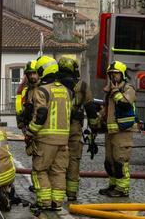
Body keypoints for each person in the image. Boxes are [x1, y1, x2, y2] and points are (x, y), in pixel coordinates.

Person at [27, 57, 71, 215]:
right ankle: (56, 202)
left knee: (40, 170)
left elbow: (41, 113)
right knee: (58, 171)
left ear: (42, 71)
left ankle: (44, 202)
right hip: (63, 140)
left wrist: (31, 130)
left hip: (46, 139)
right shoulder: (66, 91)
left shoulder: (42, 90)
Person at [98, 60, 138, 198]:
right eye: (111, 74)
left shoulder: (128, 88)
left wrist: (115, 93)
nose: (113, 77)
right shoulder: (110, 90)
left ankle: (122, 189)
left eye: (116, 74)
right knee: (110, 161)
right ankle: (113, 185)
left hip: (123, 131)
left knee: (121, 161)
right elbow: (107, 108)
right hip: (111, 130)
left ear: (122, 75)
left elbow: (125, 103)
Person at [57, 54, 92, 202]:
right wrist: (94, 129)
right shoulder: (82, 86)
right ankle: (71, 193)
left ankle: (55, 192)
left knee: (56, 159)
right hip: (74, 127)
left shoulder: (54, 85)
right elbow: (90, 107)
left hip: (56, 127)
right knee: (74, 159)